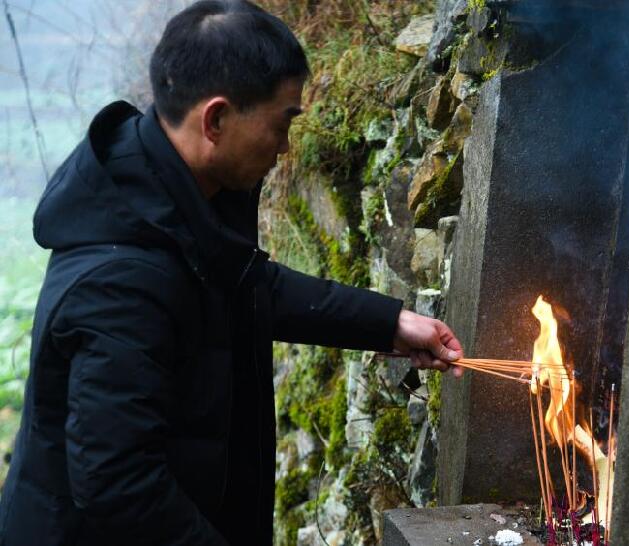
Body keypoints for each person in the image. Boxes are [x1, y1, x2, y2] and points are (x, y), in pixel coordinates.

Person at [0, 1, 463, 544]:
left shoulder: (176, 197)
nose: (286, 147)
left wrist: (390, 322)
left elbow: (249, 286)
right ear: (216, 119)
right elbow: (119, 484)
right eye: (281, 123)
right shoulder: (121, 281)